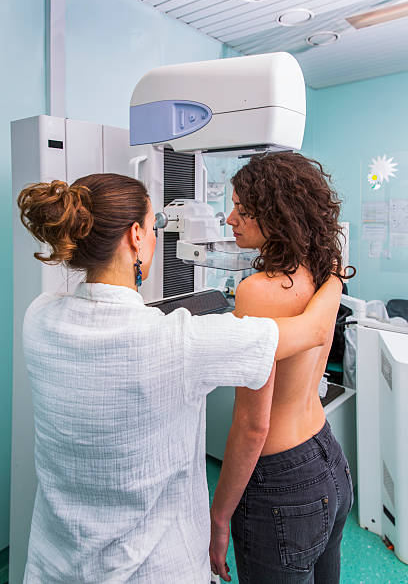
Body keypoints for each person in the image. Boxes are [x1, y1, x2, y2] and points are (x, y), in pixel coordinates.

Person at [17, 173, 342, 584]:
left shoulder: (38, 315)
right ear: (136, 235)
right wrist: (332, 267)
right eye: (154, 227)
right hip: (156, 570)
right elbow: (313, 330)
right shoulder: (179, 342)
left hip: (55, 563)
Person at [210, 152, 355, 583]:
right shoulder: (321, 269)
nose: (229, 217)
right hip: (327, 457)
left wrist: (220, 518)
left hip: (282, 478)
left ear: (275, 212)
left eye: (242, 207)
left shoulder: (258, 291)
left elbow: (254, 425)